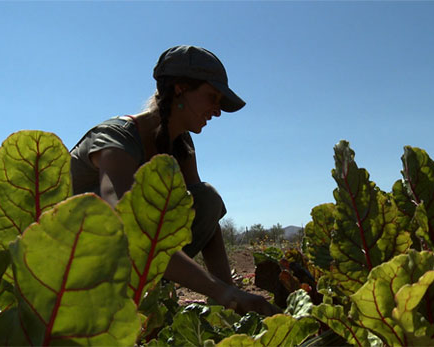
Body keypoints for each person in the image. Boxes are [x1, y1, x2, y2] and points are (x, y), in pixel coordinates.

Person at [70, 45, 280, 316]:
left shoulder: (180, 144)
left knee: (206, 198)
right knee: (138, 222)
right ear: (180, 88)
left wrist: (232, 299)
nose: (217, 111)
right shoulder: (116, 139)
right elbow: (127, 224)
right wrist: (222, 291)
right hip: (71, 264)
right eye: (211, 97)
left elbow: (208, 218)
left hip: (126, 264)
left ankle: (137, 302)